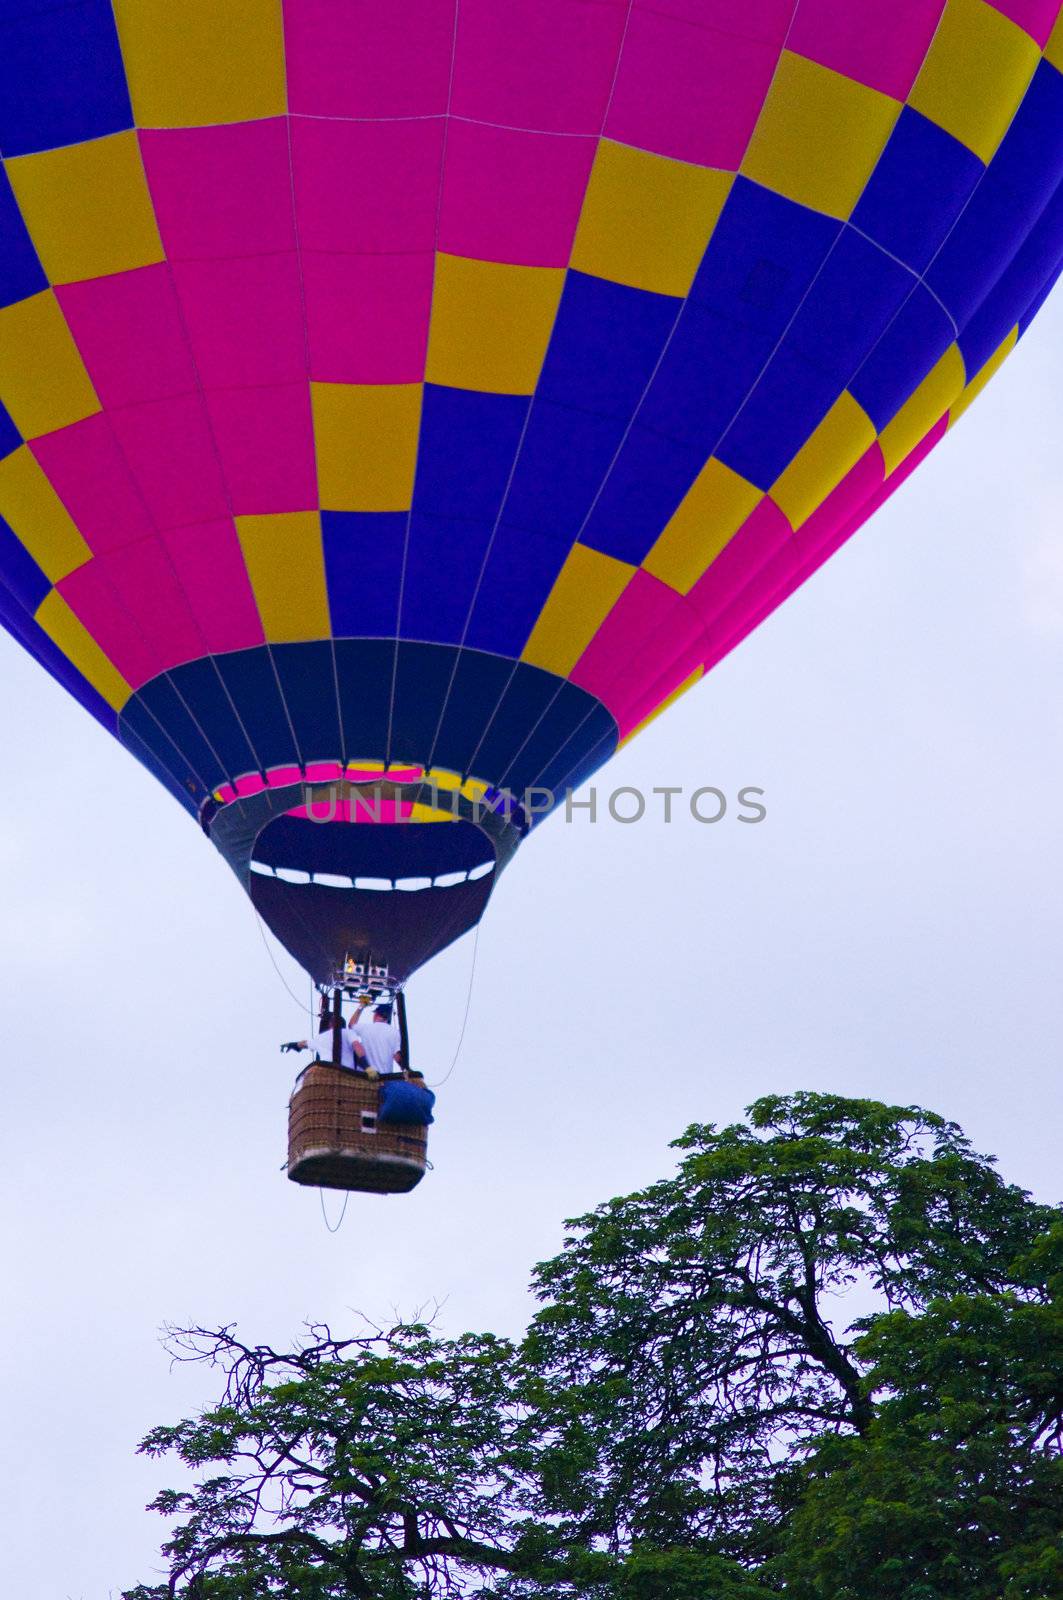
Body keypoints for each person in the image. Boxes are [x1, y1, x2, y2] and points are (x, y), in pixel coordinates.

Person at [348, 1000, 402, 1078]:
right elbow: (397, 1057)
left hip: (364, 1076)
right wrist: (407, 1069)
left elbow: (351, 1025)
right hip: (384, 1078)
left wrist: (361, 1007)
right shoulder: (395, 1032)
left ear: (376, 1014)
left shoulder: (366, 1028)